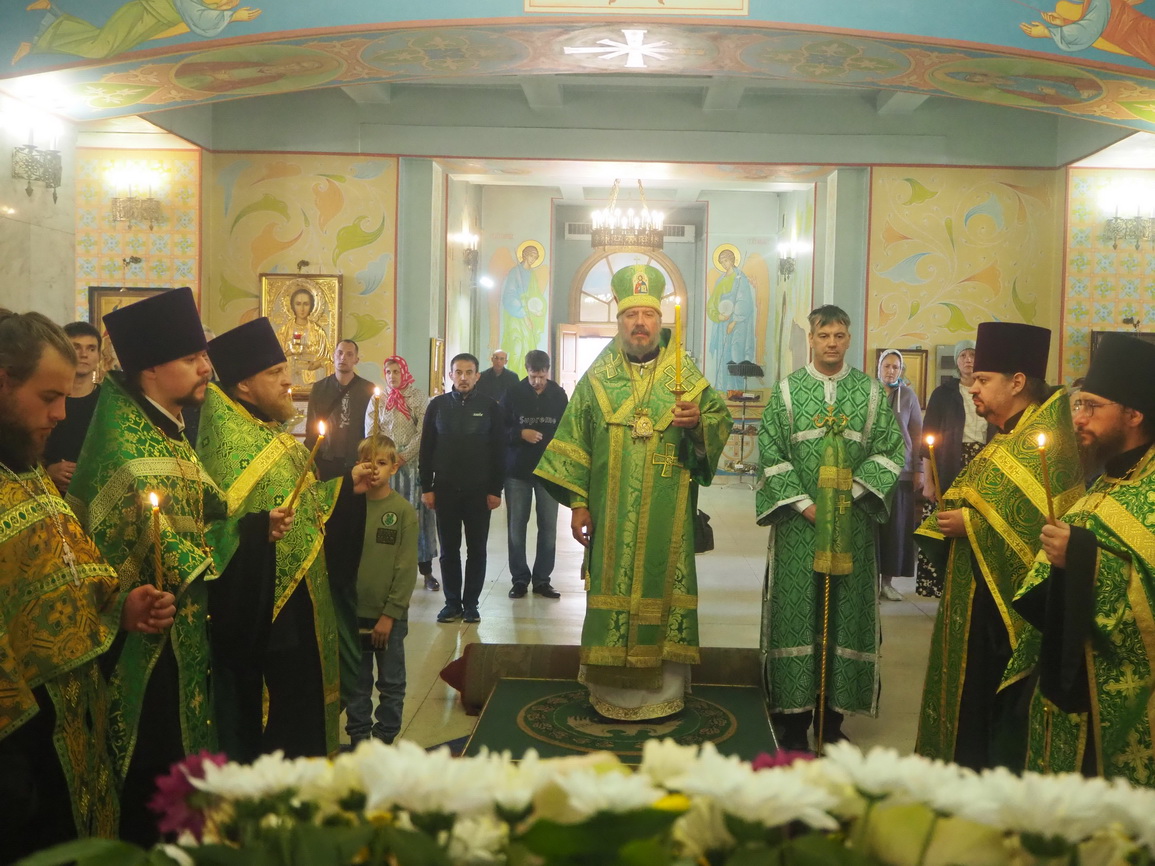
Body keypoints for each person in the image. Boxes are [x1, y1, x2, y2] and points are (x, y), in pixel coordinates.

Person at [67, 287, 290, 845]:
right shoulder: (127, 448)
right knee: (154, 773)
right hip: (143, 651)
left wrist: (253, 526)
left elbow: (209, 513)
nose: (206, 368)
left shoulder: (167, 430)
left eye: (203, 356)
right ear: (151, 368)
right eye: (192, 359)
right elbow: (158, 548)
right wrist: (241, 535)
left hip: (185, 635)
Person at [0, 310, 175, 862]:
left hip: (73, 734)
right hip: (18, 757)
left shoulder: (26, 467)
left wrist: (119, 610)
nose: (61, 413)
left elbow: (58, 578)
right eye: (49, 396)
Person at [536, 264, 731, 720]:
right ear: (619, 321)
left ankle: (665, 693)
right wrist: (578, 504)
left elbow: (718, 422)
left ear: (660, 320)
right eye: (630, 315)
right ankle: (609, 691)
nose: (640, 323)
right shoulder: (597, 378)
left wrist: (697, 424)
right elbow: (575, 442)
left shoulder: (685, 376)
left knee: (663, 587)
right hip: (611, 513)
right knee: (612, 586)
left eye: (648, 314)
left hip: (669, 514)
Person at [914, 322, 1083, 772]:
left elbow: (1040, 524)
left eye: (984, 380)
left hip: (1005, 612)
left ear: (1018, 382)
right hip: (977, 597)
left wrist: (970, 522)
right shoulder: (1009, 435)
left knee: (990, 700)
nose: (973, 388)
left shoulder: (1042, 443)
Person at [199, 318, 370, 760]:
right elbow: (214, 532)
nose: (287, 381)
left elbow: (304, 506)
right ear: (243, 385)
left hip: (302, 609)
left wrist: (346, 486)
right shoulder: (229, 444)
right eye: (275, 373)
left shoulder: (269, 433)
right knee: (281, 724)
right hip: (267, 622)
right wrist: (259, 530)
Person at [755, 305, 905, 752]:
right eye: (824, 336)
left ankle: (832, 719)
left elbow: (890, 450)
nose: (832, 343)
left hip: (851, 527)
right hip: (799, 529)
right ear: (812, 339)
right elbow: (770, 452)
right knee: (797, 613)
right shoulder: (787, 392)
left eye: (840, 335)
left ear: (849, 339)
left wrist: (850, 497)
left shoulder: (870, 393)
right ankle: (793, 721)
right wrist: (805, 506)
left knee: (845, 613)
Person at [1008, 334, 1155, 784]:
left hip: (1130, 698)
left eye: (1092, 406)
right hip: (1074, 679)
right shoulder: (1106, 480)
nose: (1078, 418)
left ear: (1134, 414)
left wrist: (1082, 559)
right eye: (1078, 404)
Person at [343, 435, 419, 747]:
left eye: (382, 462)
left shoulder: (402, 511)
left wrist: (390, 614)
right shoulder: (349, 507)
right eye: (367, 461)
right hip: (353, 612)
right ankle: (360, 737)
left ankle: (385, 736)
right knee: (357, 682)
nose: (374, 468)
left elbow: (406, 568)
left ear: (394, 467)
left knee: (391, 681)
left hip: (388, 616)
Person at [420, 353, 505, 625]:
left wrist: (496, 489)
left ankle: (471, 605)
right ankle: (452, 603)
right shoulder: (437, 406)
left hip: (479, 491)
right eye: (458, 372)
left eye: (469, 372)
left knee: (477, 550)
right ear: (450, 375)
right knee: (448, 550)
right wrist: (427, 486)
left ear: (477, 376)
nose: (463, 377)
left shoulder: (490, 407)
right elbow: (426, 449)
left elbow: (499, 451)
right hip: (445, 489)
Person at [916, 340, 995, 598]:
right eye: (963, 355)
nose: (968, 360)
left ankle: (975, 587)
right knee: (945, 525)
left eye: (973, 354)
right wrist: (929, 480)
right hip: (950, 463)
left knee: (976, 525)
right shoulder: (944, 393)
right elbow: (928, 439)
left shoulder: (991, 390)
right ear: (956, 360)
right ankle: (941, 586)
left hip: (983, 463)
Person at [364, 355, 440, 592]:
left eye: (396, 371)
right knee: (388, 517)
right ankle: (389, 571)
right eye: (388, 372)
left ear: (404, 372)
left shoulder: (417, 397)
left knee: (416, 519)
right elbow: (371, 431)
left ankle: (426, 571)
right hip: (387, 468)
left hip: (412, 467)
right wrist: (386, 458)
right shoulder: (378, 398)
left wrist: (404, 455)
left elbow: (424, 431)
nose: (392, 376)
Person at [502, 349, 568, 600]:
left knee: (548, 527)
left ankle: (542, 580)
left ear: (548, 371)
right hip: (518, 471)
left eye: (541, 376)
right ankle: (519, 579)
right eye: (533, 377)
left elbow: (567, 429)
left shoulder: (558, 395)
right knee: (516, 527)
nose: (537, 382)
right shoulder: (513, 393)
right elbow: (499, 427)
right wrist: (520, 433)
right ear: (527, 371)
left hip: (549, 470)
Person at [877, 349, 922, 602]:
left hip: (900, 472)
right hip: (872, 472)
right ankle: (868, 583)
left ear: (900, 370)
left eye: (895, 367)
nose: (891, 371)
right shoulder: (869, 393)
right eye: (887, 366)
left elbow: (917, 434)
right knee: (874, 530)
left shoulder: (908, 396)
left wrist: (919, 469)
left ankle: (887, 582)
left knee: (895, 529)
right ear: (879, 367)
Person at [42, 321, 103, 495]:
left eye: (91, 349)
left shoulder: (108, 401)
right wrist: (47, 470)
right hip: (50, 494)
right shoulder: (44, 398)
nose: (84, 355)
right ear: (62, 351)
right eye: (76, 347)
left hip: (95, 494)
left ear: (99, 355)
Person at [305, 338, 375, 480]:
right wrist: (311, 461)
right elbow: (311, 427)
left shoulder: (367, 389)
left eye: (349, 354)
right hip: (326, 459)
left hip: (356, 459)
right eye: (340, 353)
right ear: (333, 356)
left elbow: (372, 428)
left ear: (356, 360)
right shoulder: (319, 388)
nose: (343, 357)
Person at [277, 283, 333, 388]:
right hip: (288, 380)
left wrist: (317, 364)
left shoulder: (318, 332)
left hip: (312, 382)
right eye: (298, 304)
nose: (302, 309)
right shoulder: (283, 332)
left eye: (306, 304)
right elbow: (274, 361)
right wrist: (289, 353)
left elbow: (328, 360)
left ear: (311, 306)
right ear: (292, 306)